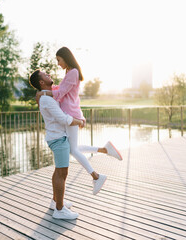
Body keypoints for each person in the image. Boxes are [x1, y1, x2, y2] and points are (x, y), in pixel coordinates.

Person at [36, 47, 122, 195]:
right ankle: (104, 150)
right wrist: (44, 91)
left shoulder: (73, 72)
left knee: (73, 149)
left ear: (65, 57)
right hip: (70, 113)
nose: (58, 64)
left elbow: (60, 93)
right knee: (72, 148)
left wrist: (43, 92)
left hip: (70, 114)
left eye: (59, 60)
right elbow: (60, 88)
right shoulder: (70, 72)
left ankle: (96, 176)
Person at [29, 69, 82, 219]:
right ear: (41, 82)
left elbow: (61, 90)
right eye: (46, 75)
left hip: (57, 137)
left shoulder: (46, 97)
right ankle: (60, 209)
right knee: (62, 173)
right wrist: (79, 121)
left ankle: (55, 201)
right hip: (58, 139)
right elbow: (63, 118)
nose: (49, 75)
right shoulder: (46, 100)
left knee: (58, 172)